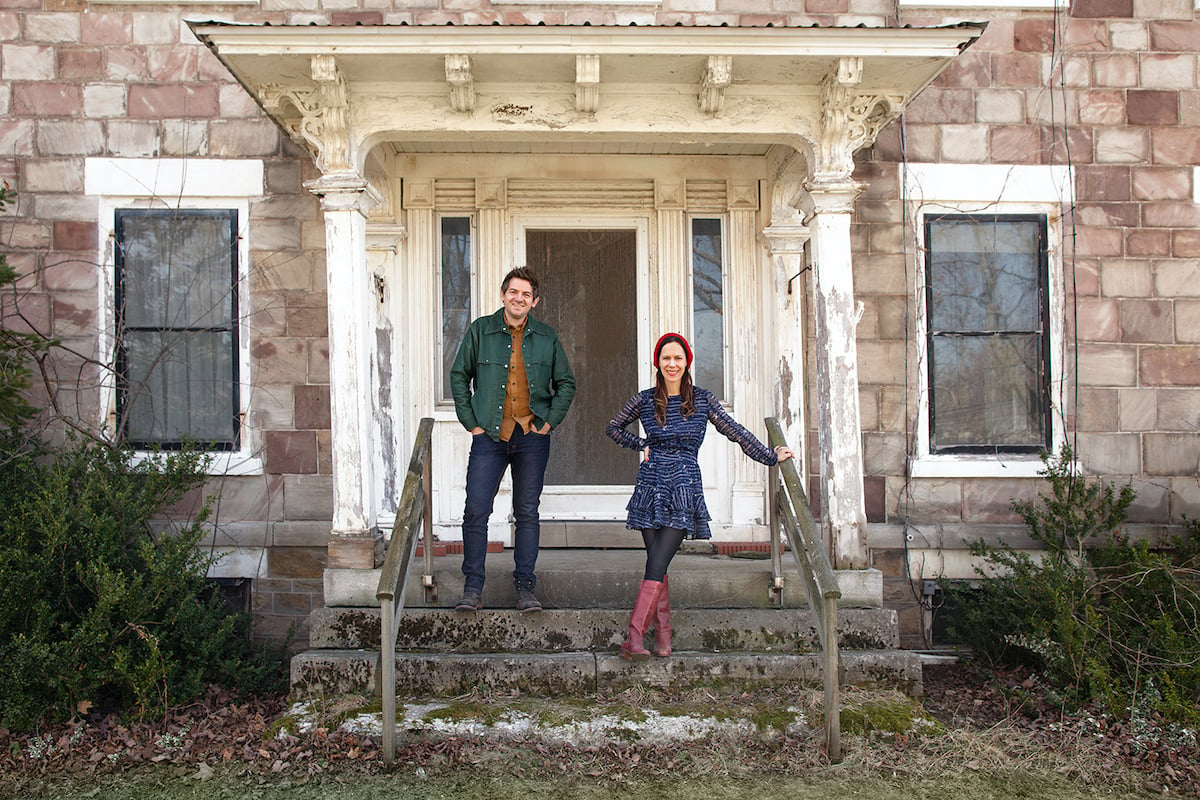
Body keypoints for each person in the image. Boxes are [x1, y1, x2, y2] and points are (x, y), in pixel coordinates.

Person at [605, 332, 793, 660]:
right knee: (656, 563)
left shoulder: (702, 400)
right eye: (666, 358)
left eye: (678, 358)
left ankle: (634, 638)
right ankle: (662, 639)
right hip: (651, 486)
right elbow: (613, 427)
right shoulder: (645, 399)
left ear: (687, 362)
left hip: (684, 487)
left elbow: (735, 431)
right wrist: (640, 444)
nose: (672, 364)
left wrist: (770, 455)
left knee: (659, 560)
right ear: (658, 363)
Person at [449, 266, 576, 613]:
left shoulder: (547, 337)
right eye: (513, 292)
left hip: (532, 435)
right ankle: (472, 588)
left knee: (527, 512)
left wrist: (549, 422)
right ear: (503, 295)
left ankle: (525, 588)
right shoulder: (480, 331)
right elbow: (459, 376)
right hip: (489, 435)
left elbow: (566, 383)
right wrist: (471, 423)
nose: (518, 298)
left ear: (534, 301)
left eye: (526, 294)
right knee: (476, 510)